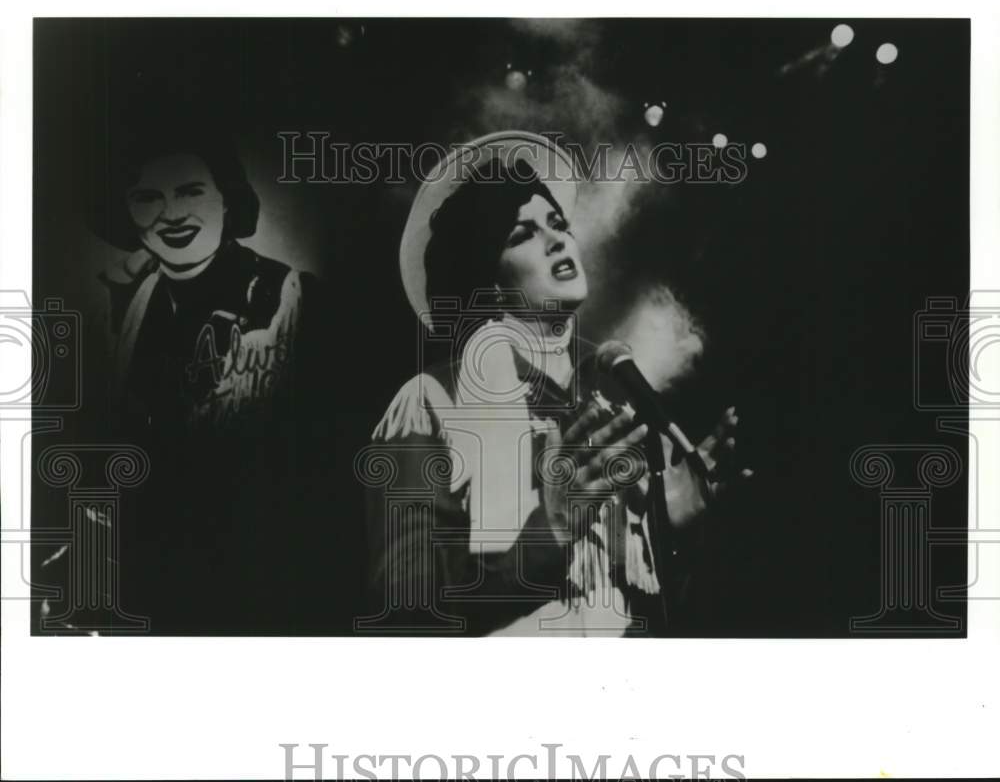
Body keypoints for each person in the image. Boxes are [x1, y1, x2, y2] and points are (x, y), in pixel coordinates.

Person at [361, 131, 746, 636]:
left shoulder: (610, 408)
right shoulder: (432, 400)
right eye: (521, 235)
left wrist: (671, 524)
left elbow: (633, 608)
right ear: (488, 281)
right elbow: (407, 610)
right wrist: (553, 527)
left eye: (558, 224)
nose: (558, 239)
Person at [38, 126, 336, 634]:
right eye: (147, 197)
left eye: (191, 191)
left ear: (227, 200)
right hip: (148, 574)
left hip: (255, 582)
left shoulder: (290, 299)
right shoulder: (135, 303)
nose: (171, 215)